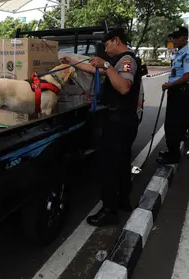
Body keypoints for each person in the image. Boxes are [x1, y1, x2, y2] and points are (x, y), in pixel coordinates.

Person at [61, 28, 142, 226]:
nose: (106, 49)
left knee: (108, 166)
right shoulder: (118, 63)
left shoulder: (126, 60)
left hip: (118, 122)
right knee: (122, 164)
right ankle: (123, 202)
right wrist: (73, 63)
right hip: (121, 121)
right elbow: (101, 71)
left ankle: (109, 211)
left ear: (116, 40)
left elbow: (123, 87)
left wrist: (105, 63)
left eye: (107, 45)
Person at [157, 26, 189, 165]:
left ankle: (173, 156)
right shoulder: (179, 53)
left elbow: (186, 77)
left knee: (174, 125)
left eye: (177, 37)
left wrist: (169, 85)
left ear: (185, 38)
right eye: (173, 37)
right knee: (170, 124)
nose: (174, 40)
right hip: (175, 92)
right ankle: (171, 151)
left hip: (181, 92)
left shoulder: (188, 55)